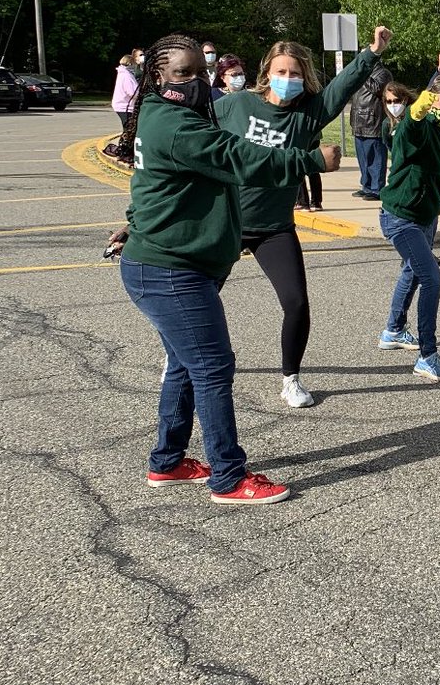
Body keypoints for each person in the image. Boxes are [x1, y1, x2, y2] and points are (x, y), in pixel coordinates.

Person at [111, 32, 340, 505]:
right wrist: (311, 159)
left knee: (185, 364)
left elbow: (149, 188)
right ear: (157, 76)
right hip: (172, 271)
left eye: (201, 72)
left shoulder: (167, 113)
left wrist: (133, 224)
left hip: (167, 262)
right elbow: (238, 157)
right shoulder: (177, 125)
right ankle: (229, 477)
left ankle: (168, 462)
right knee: (213, 367)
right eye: (183, 73)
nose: (195, 81)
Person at [214, 26, 393, 408]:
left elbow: (342, 88)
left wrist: (371, 52)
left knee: (296, 302)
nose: (288, 79)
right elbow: (194, 137)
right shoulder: (235, 106)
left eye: (295, 73)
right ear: (266, 73)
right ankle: (178, 357)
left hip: (274, 227)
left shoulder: (308, 114)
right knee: (197, 298)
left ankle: (291, 379)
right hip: (226, 221)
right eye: (281, 72)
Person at [377, 74, 440, 382]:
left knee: (411, 271)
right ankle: (427, 356)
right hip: (401, 218)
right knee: (431, 278)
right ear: (429, 103)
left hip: (425, 215)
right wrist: (417, 111)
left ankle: (394, 330)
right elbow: (408, 133)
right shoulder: (420, 126)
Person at [349, 50, 393, 201]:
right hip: (358, 120)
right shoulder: (361, 72)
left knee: (375, 157)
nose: (362, 60)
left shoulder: (383, 73)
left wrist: (364, 73)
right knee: (363, 158)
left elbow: (378, 89)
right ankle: (366, 186)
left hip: (372, 122)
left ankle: (376, 188)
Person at [111, 53, 138, 128]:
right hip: (125, 106)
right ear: (130, 63)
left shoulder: (124, 73)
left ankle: (127, 139)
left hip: (124, 105)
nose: (135, 66)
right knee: (129, 128)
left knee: (129, 127)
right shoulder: (126, 75)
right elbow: (132, 92)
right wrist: (141, 95)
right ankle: (126, 139)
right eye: (134, 64)